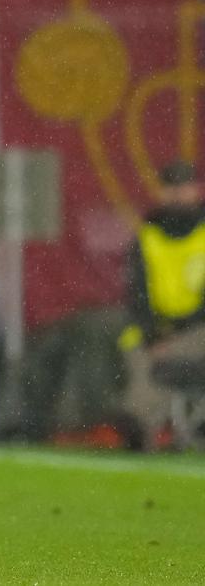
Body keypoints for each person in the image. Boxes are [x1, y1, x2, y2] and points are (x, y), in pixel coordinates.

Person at [121, 159, 205, 449]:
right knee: (135, 352)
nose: (179, 195)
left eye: (184, 187)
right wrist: (153, 335)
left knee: (167, 360)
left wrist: (175, 334)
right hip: (159, 330)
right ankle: (141, 430)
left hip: (197, 329)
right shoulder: (148, 235)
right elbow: (138, 293)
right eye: (173, 188)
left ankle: (146, 424)